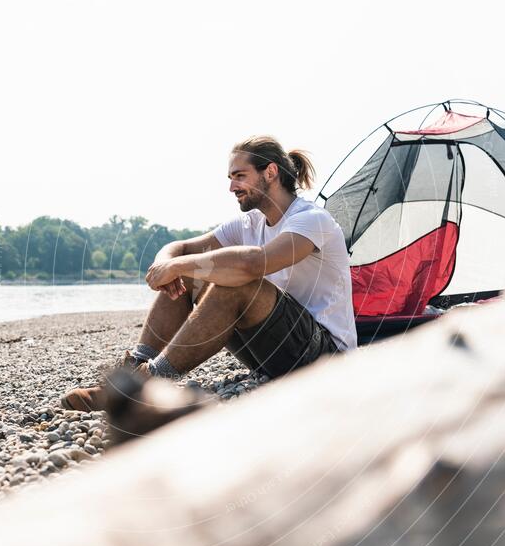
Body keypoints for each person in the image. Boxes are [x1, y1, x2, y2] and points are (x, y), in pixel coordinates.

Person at [62, 135, 356, 411]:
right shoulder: (249, 224)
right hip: (273, 352)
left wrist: (177, 266)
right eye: (230, 178)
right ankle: (135, 370)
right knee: (194, 276)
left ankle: (149, 382)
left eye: (240, 176)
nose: (232, 187)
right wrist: (165, 264)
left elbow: (255, 264)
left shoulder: (311, 220)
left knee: (236, 282)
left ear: (270, 173)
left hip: (325, 357)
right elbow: (181, 247)